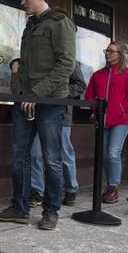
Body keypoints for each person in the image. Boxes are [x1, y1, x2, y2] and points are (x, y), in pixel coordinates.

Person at [0, 0, 76, 230]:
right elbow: (28, 66)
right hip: (24, 101)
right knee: (19, 157)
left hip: (49, 103)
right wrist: (18, 82)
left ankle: (51, 211)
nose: (22, 0)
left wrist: (37, 95)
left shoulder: (61, 23)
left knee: (51, 159)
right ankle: (20, 208)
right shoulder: (30, 25)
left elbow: (66, 66)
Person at [84, 42, 128, 203]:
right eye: (106, 51)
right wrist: (95, 111)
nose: (107, 54)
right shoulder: (98, 74)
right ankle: (108, 185)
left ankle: (113, 188)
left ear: (120, 54)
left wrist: (121, 109)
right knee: (104, 154)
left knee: (113, 153)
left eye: (111, 51)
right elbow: (89, 95)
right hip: (102, 120)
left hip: (120, 121)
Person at [28, 64, 86, 207]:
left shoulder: (70, 61)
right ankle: (37, 191)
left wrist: (61, 92)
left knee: (65, 153)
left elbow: (80, 85)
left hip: (63, 114)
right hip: (38, 113)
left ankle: (71, 189)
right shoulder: (40, 60)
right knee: (35, 153)